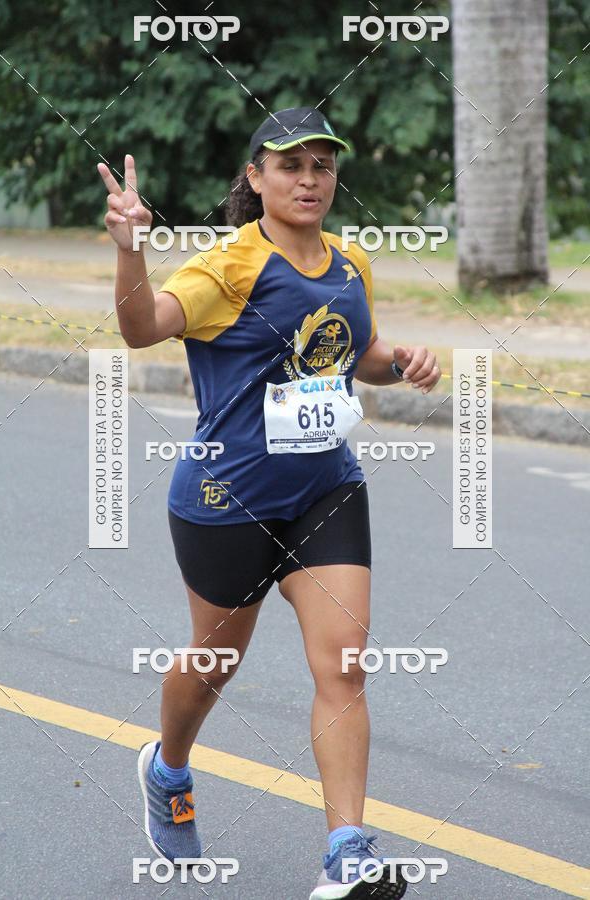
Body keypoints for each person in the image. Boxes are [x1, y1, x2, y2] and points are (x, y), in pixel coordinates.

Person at [98, 106, 441, 899]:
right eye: (291, 165)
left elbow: (354, 355)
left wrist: (405, 362)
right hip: (226, 498)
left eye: (322, 164)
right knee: (216, 662)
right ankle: (168, 766)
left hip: (325, 490)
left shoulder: (351, 263)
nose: (309, 179)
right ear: (256, 179)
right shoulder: (230, 267)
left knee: (344, 665)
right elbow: (142, 328)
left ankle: (347, 852)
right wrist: (130, 249)